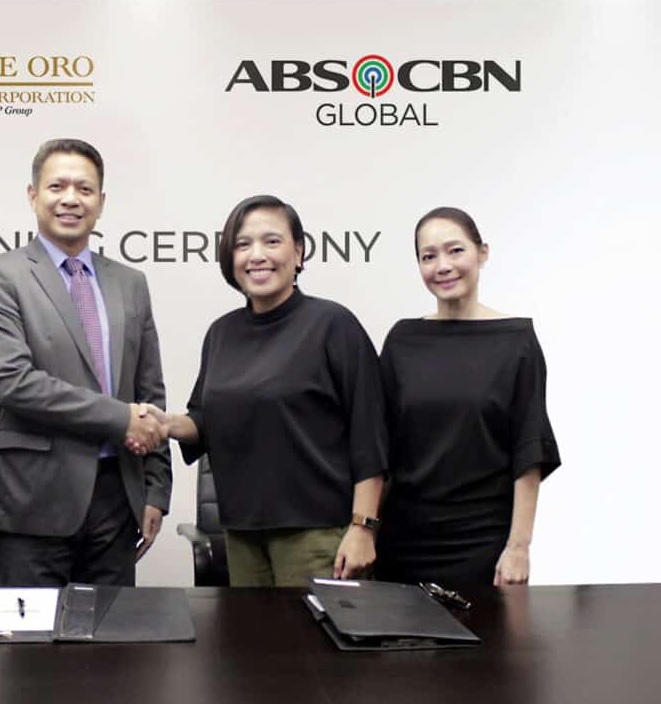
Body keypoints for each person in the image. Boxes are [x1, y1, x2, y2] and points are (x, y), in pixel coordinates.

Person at [134, 195, 386, 586]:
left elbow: (371, 435)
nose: (257, 255)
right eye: (243, 244)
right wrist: (167, 424)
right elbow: (204, 419)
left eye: (272, 241)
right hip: (242, 534)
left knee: (313, 646)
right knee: (256, 647)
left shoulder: (333, 325)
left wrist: (363, 527)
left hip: (318, 534)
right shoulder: (222, 332)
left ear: (299, 252)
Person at [0, 138, 172, 586]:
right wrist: (121, 418)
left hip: (118, 498)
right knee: (33, 650)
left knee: (111, 646)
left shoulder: (130, 283)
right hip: (34, 501)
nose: (70, 199)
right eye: (56, 186)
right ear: (32, 195)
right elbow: (14, 382)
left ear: (101, 202)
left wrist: (156, 488)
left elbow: (150, 393)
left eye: (84, 189)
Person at [376, 206, 561, 586]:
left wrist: (519, 548)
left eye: (455, 250)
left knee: (487, 645)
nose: (442, 265)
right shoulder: (402, 340)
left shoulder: (517, 341)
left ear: (483, 253)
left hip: (482, 543)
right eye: (429, 256)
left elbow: (529, 452)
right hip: (404, 541)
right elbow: (381, 449)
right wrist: (364, 531)